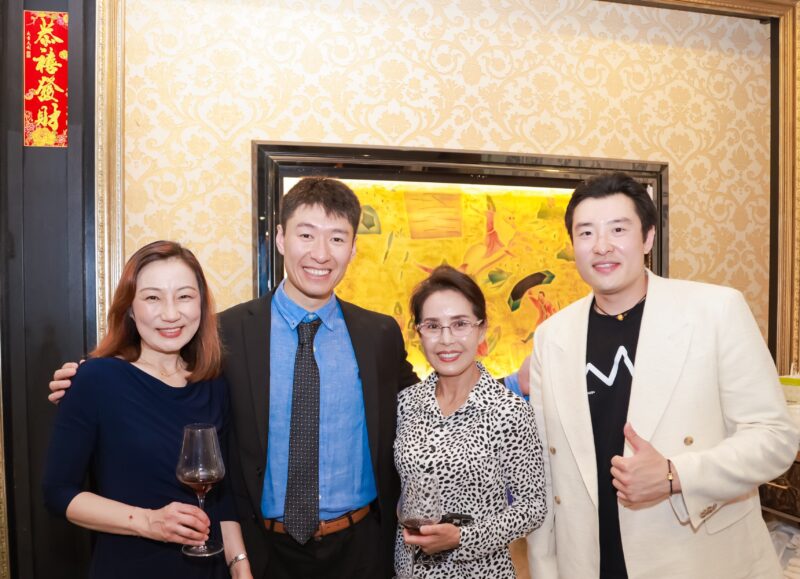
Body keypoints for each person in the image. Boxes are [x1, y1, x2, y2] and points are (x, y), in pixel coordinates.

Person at [526, 172, 799, 578]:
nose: (601, 245)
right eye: (586, 233)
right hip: (589, 559)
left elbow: (775, 438)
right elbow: (545, 471)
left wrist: (676, 474)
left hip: (694, 557)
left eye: (618, 229)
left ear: (648, 238)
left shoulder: (715, 311)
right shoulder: (552, 336)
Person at [42, 241, 252, 579]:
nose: (171, 314)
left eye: (184, 296)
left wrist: (239, 565)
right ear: (130, 308)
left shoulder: (213, 383)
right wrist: (149, 522)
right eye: (153, 298)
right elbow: (58, 493)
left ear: (201, 303)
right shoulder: (97, 379)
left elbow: (222, 497)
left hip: (209, 569)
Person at [394, 266, 546, 578]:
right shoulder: (406, 404)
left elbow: (533, 506)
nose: (446, 339)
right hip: (409, 571)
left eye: (460, 324)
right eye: (432, 326)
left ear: (481, 329)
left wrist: (463, 538)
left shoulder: (508, 410)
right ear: (418, 333)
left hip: (480, 571)